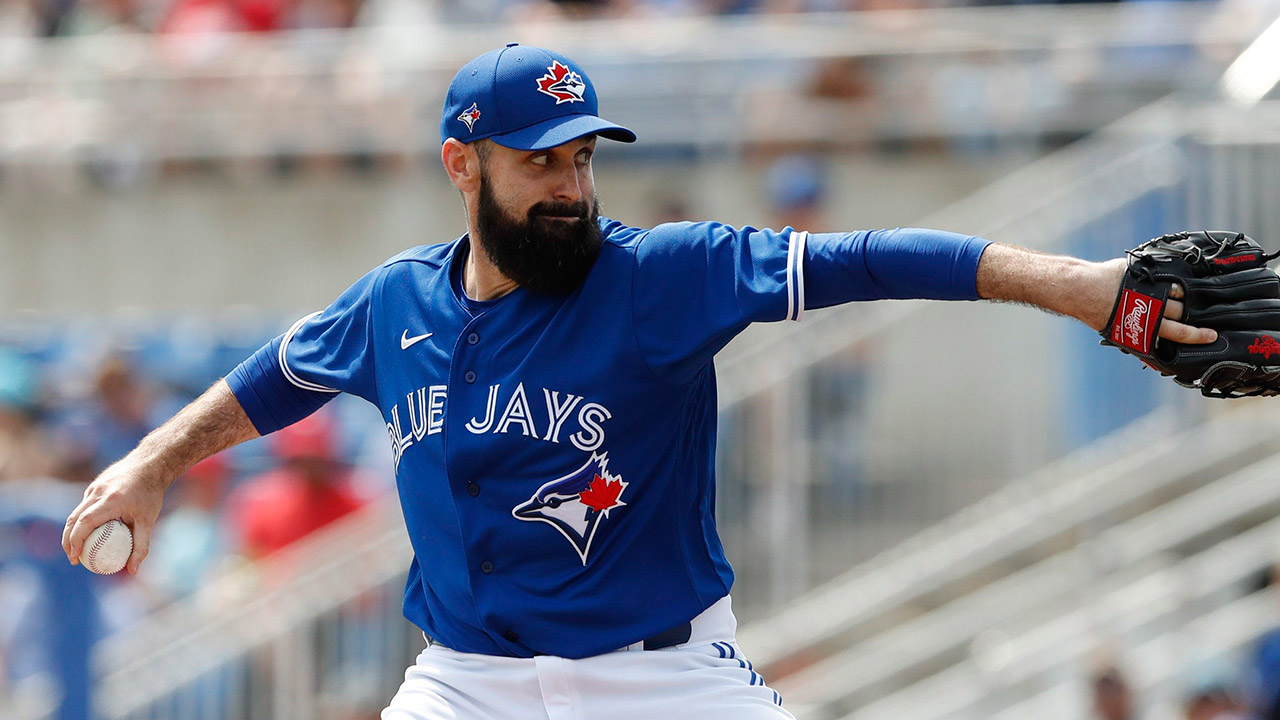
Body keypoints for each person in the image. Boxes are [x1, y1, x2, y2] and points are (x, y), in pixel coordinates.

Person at [61, 44, 1217, 719]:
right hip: (469, 684)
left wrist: (1080, 285)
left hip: (662, 683)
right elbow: (274, 382)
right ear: (462, 167)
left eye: (579, 156)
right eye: (537, 161)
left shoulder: (662, 276)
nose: (568, 184)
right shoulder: (391, 305)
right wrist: (148, 466)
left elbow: (871, 260)